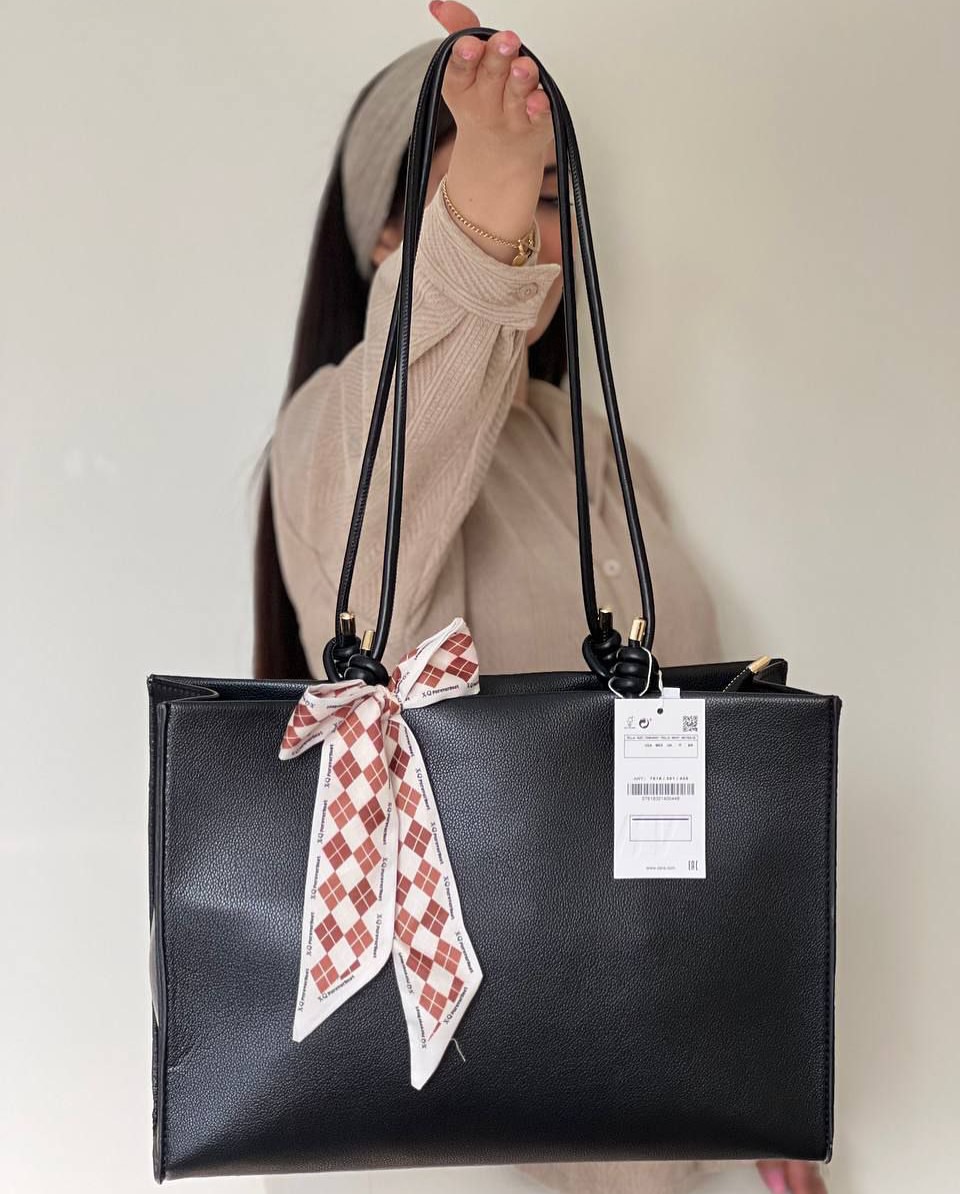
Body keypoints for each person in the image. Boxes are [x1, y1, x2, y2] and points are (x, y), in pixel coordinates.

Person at [253, 5, 828, 1194]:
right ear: (388, 238)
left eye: (553, 194)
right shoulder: (330, 440)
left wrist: (761, 1069)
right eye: (491, 182)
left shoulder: (597, 452)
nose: (536, 221)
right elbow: (413, 416)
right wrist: (490, 203)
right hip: (449, 1138)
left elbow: (687, 794)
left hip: (660, 1118)